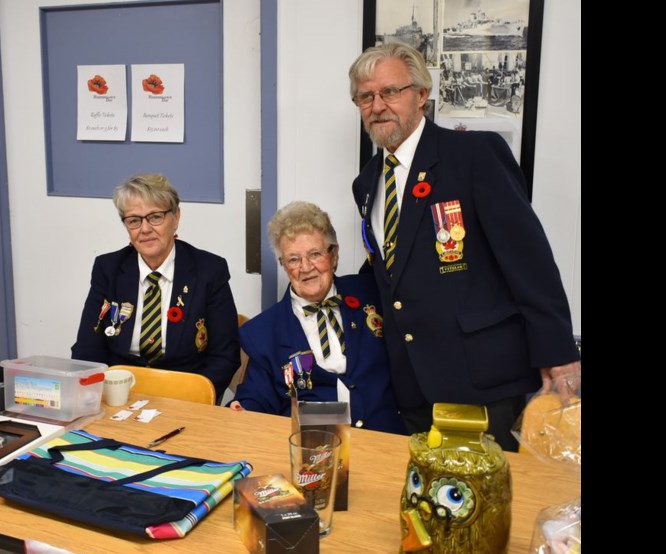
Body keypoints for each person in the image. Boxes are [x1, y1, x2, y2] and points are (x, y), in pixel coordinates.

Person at [349, 42, 579, 450]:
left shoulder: (473, 155)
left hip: (481, 377)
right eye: (366, 96)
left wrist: (558, 352)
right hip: (413, 382)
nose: (378, 105)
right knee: (430, 504)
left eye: (390, 91)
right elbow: (389, 270)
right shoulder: (367, 182)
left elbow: (528, 259)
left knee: (487, 503)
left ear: (421, 95)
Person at [230, 201, 403, 434]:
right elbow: (256, 397)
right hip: (315, 447)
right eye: (293, 259)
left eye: (314, 254)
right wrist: (243, 409)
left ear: (333, 255)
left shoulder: (371, 293)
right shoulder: (263, 331)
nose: (305, 267)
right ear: (283, 265)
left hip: (387, 437)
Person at [71, 174, 240, 400]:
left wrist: (194, 399)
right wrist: (96, 397)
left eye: (155, 217)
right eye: (134, 220)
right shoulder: (108, 268)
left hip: (184, 396)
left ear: (176, 217)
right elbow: (87, 349)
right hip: (120, 395)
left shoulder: (209, 270)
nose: (145, 229)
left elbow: (224, 357)